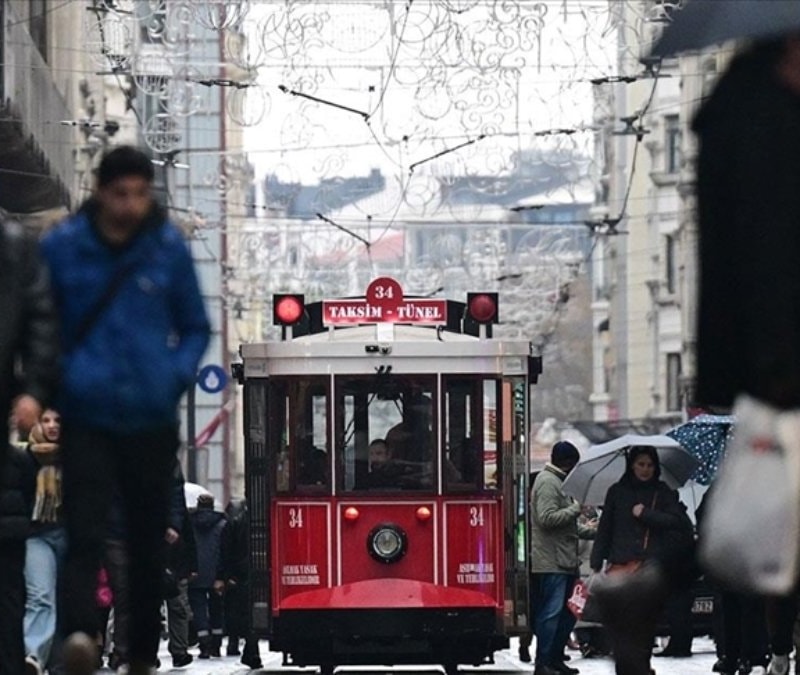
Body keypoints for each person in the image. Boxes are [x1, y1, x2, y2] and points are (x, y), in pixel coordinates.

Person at [40, 145, 211, 675]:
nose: (130, 205)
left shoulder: (166, 249)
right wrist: (53, 381)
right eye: (121, 194)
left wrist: (172, 377)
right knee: (84, 530)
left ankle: (139, 655)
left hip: (150, 416)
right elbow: (44, 318)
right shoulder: (66, 247)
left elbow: (196, 326)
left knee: (144, 538)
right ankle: (79, 636)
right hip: (87, 410)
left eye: (141, 193)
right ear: (100, 191)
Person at [0, 215, 59, 675]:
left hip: (34, 524)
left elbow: (40, 321)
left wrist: (34, 390)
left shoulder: (14, 244)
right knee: (30, 592)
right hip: (29, 525)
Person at [590, 446, 695, 675]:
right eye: (640, 464)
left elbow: (680, 524)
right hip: (620, 566)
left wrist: (646, 513)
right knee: (621, 625)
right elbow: (605, 528)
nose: (645, 470)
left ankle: (641, 666)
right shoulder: (616, 492)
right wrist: (596, 562)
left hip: (650, 570)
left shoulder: (663, 491)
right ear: (631, 465)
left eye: (649, 465)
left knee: (645, 625)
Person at [529, 441, 595, 675]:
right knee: (551, 613)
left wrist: (596, 530)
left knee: (568, 613)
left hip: (565, 560)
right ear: (566, 462)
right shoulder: (548, 482)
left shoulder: (560, 483)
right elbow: (546, 518)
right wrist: (575, 509)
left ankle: (555, 658)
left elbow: (568, 526)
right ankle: (543, 661)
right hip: (551, 561)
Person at [23, 409, 68, 675]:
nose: (52, 426)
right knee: (40, 596)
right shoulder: (25, 456)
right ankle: (33, 655)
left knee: (66, 599)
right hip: (37, 534)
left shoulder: (77, 455)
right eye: (46, 420)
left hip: (71, 533)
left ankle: (60, 660)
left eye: (57, 420)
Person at [221, 498, 263, 669]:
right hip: (256, 571)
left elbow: (225, 551)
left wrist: (226, 575)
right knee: (251, 613)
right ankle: (251, 651)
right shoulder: (261, 522)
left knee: (240, 613)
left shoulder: (234, 524)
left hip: (239, 574)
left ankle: (244, 647)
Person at [188, 494, 227, 659]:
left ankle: (204, 645)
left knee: (198, 610)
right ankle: (216, 645)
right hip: (216, 574)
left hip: (195, 573)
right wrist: (222, 575)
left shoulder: (190, 524)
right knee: (216, 608)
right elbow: (225, 551)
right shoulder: (223, 524)